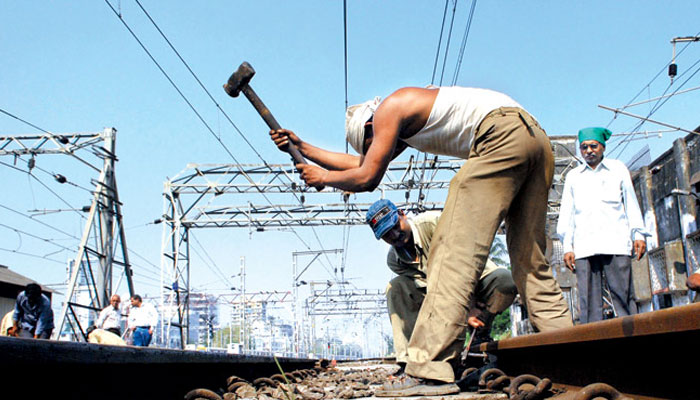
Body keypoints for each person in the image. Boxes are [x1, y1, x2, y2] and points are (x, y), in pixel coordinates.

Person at [271, 86, 572, 395]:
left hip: (498, 137)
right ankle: (570, 352)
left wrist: (322, 178)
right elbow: (363, 165)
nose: (379, 149)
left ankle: (430, 369)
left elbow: (367, 176)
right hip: (535, 138)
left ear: (371, 126)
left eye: (371, 143)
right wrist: (302, 147)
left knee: (451, 253)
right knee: (529, 260)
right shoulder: (408, 114)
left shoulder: (389, 108)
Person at [367, 199, 517, 372]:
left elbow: (461, 265)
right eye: (387, 234)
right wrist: (463, 311)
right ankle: (410, 363)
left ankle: (481, 331)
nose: (394, 236)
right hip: (440, 296)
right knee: (396, 288)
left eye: (395, 227)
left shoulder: (433, 223)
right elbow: (432, 288)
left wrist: (469, 305)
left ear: (402, 214)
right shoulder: (395, 261)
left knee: (504, 281)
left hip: (473, 277)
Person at [556, 127, 648, 324]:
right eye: (584, 147)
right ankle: (593, 343)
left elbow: (631, 203)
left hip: (616, 242)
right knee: (588, 303)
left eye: (593, 146)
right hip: (584, 246)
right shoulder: (573, 176)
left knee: (623, 295)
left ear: (603, 147)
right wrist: (567, 247)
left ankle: (631, 337)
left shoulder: (618, 169)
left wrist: (638, 234)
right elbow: (567, 214)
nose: (589, 150)